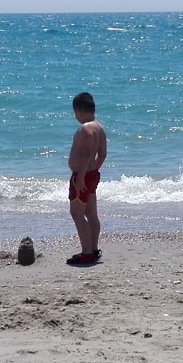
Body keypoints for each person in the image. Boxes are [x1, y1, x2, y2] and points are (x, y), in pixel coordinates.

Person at [67, 91, 108, 267]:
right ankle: (93, 249)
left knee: (76, 214)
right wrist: (94, 170)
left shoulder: (85, 129)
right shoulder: (100, 127)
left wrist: (81, 177)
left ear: (79, 111)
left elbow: (83, 155)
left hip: (82, 176)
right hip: (92, 174)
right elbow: (103, 154)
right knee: (91, 214)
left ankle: (86, 252)